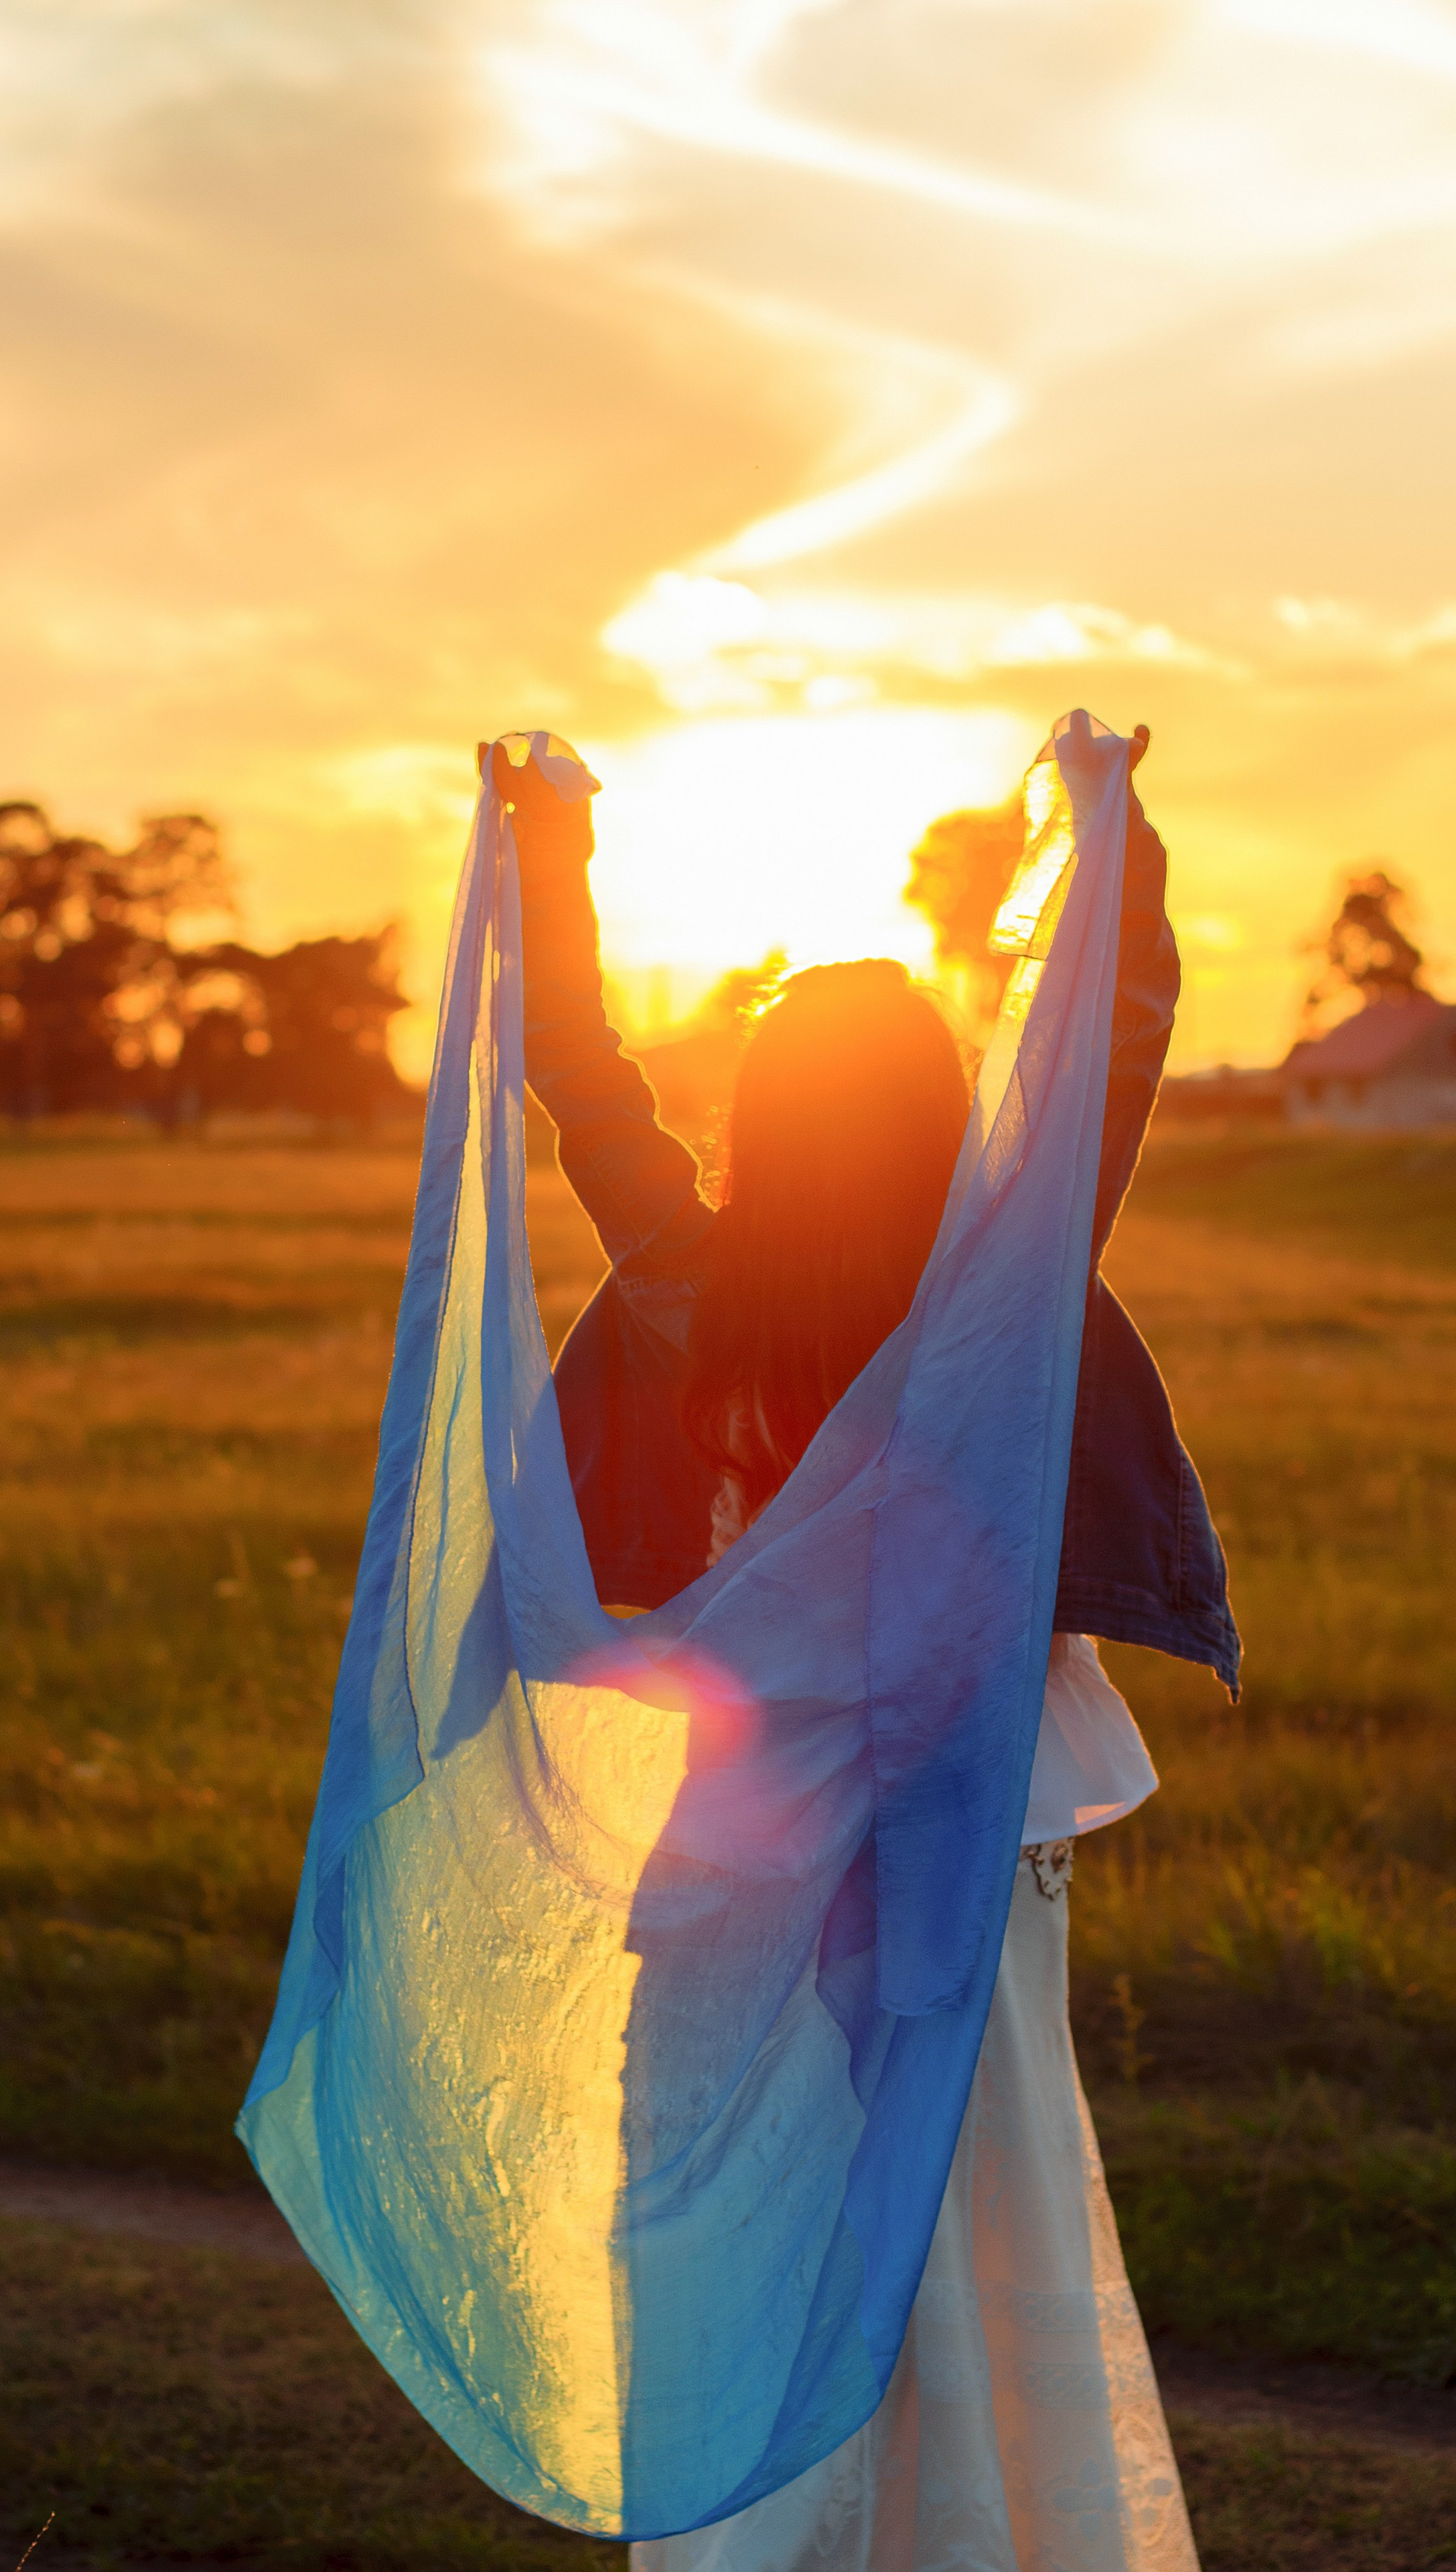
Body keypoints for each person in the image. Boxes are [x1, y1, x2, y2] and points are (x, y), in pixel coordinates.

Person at [485, 727, 1238, 2572]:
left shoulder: (688, 1287)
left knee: (753, 2204)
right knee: (970, 2209)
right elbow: (1110, 1055)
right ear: (935, 1113)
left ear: (760, 1115)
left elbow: (575, 1080)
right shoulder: (996, 1307)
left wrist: (556, 841)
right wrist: (1106, 832)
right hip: (969, 1836)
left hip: (739, 1840)